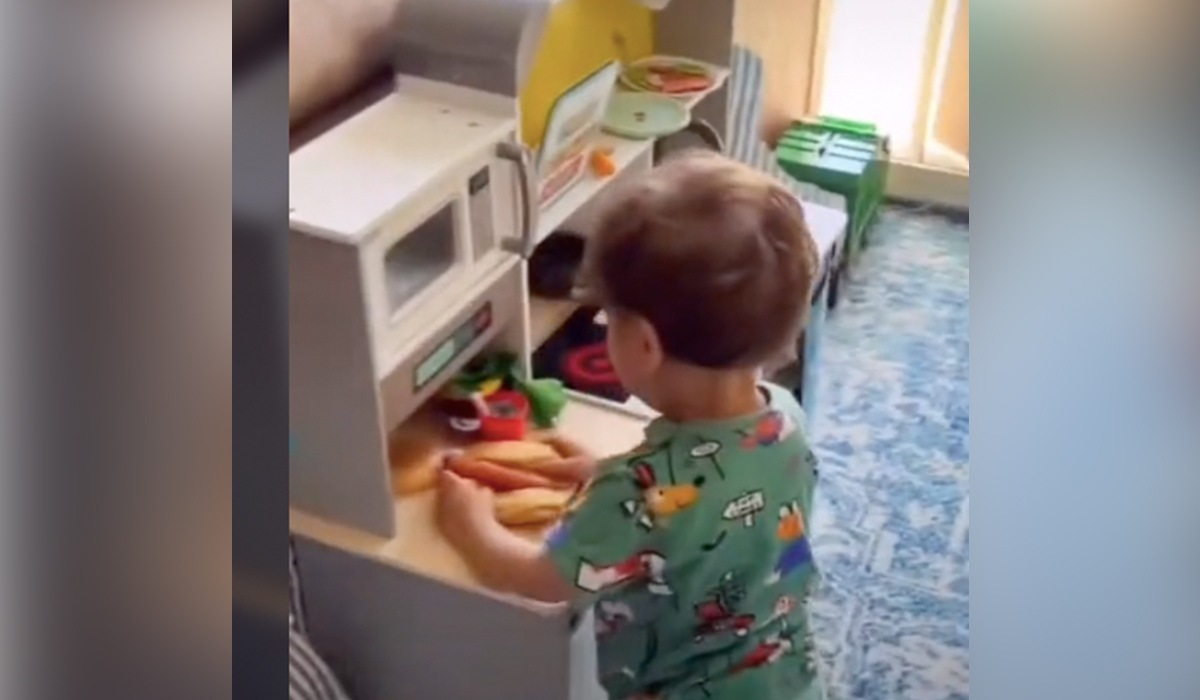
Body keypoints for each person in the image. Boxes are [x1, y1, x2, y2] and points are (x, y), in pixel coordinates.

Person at [437, 151, 823, 700]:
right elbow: (723, 491)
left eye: (607, 319)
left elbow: (545, 578)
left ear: (643, 344)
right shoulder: (785, 416)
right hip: (784, 676)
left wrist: (470, 527)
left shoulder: (636, 494)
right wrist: (602, 468)